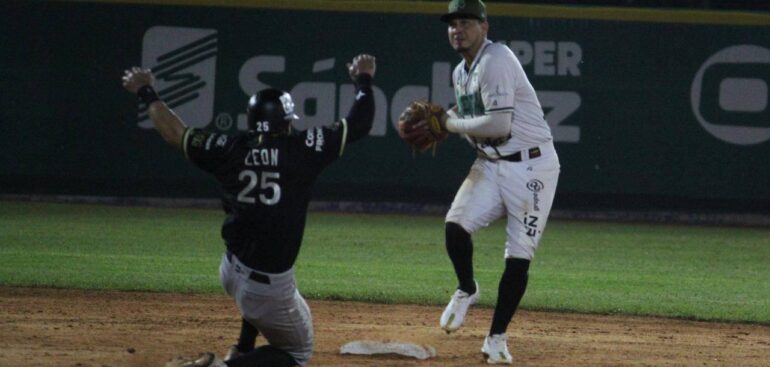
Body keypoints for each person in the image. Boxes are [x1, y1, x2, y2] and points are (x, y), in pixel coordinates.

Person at [122, 54, 376, 367]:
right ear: (286, 120)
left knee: (267, 295)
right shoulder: (304, 149)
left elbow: (176, 133)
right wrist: (363, 79)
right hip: (266, 286)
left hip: (231, 269)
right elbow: (360, 122)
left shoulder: (230, 148)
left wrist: (146, 91)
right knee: (297, 353)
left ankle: (243, 347)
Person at [435, 0, 560, 364]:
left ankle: (496, 338)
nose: (458, 29)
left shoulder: (497, 59)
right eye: (453, 23)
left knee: (518, 258)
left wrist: (448, 124)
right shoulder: (461, 72)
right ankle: (467, 288)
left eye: (467, 22)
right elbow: (471, 113)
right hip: (490, 163)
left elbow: (499, 125)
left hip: (533, 169)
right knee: (455, 227)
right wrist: (447, 115)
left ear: (484, 27)